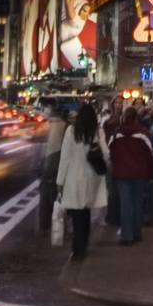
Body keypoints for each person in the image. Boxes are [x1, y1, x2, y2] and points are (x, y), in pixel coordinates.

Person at [55, 102, 109, 262]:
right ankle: (83, 246)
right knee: (85, 213)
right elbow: (105, 153)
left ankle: (77, 250)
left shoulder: (72, 131)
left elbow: (64, 158)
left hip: (73, 177)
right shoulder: (97, 131)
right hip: (91, 177)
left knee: (77, 215)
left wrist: (60, 181)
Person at [108, 105, 153, 244]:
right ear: (136, 118)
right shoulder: (143, 133)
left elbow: (111, 152)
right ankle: (137, 233)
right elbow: (150, 154)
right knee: (137, 202)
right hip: (139, 173)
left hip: (121, 174)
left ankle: (126, 236)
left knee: (125, 204)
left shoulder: (117, 134)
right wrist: (150, 172)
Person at [38, 105, 68, 236]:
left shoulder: (45, 125)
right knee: (60, 195)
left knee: (45, 196)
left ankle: (44, 226)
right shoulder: (66, 126)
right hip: (60, 162)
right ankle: (60, 226)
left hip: (46, 163)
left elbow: (39, 144)